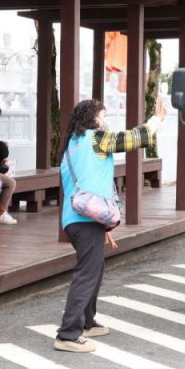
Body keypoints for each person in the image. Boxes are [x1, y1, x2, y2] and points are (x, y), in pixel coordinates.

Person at [53, 97, 166, 352]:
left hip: (76, 219)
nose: (105, 121)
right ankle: (67, 335)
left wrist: (101, 227)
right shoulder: (97, 138)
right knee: (87, 273)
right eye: (103, 115)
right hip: (85, 220)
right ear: (93, 118)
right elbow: (134, 138)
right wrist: (156, 119)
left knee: (95, 268)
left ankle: (87, 322)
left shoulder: (72, 146)